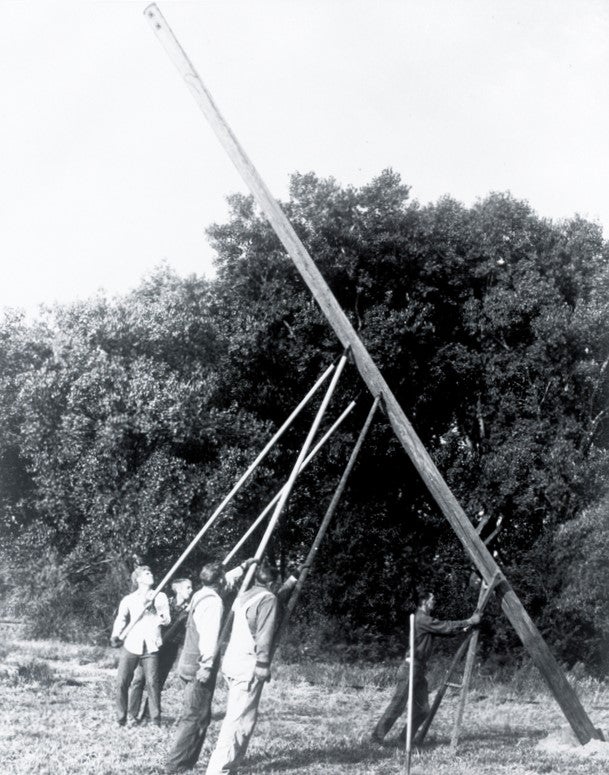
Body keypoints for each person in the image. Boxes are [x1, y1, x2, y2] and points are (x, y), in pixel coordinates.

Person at [165, 558, 256, 775]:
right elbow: (209, 637)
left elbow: (226, 581)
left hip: (186, 662)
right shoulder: (214, 602)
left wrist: (242, 567)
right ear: (219, 581)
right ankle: (177, 766)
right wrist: (206, 666)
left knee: (196, 715)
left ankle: (182, 762)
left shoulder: (201, 593)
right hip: (199, 665)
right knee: (195, 717)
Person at [204, 561, 294, 775]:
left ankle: (231, 766)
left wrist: (292, 581)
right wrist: (263, 664)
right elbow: (264, 634)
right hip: (248, 665)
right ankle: (218, 770)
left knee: (246, 720)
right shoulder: (268, 599)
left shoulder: (246, 595)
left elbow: (272, 604)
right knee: (236, 720)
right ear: (272, 583)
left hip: (233, 662)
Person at [371, 589, 481, 744]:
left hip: (419, 670)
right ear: (424, 602)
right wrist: (469, 621)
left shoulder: (425, 620)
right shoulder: (421, 618)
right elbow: (444, 626)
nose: (434, 602)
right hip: (410, 669)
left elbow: (444, 630)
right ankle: (376, 739)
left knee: (423, 710)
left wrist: (463, 628)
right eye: (432, 599)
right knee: (398, 705)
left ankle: (404, 740)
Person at [110, 565, 171, 727]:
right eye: (147, 573)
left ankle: (155, 719)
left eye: (151, 572)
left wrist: (155, 611)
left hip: (151, 646)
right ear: (138, 579)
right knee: (122, 682)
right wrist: (115, 635)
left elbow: (167, 620)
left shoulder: (160, 597)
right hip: (131, 644)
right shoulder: (129, 599)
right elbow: (121, 619)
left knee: (152, 682)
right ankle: (121, 718)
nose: (151, 575)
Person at [129, 576, 194, 722]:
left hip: (170, 648)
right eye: (187, 587)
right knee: (139, 679)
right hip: (153, 644)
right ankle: (132, 714)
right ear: (178, 589)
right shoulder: (164, 601)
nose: (191, 590)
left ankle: (147, 716)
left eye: (191, 588)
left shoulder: (190, 609)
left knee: (157, 682)